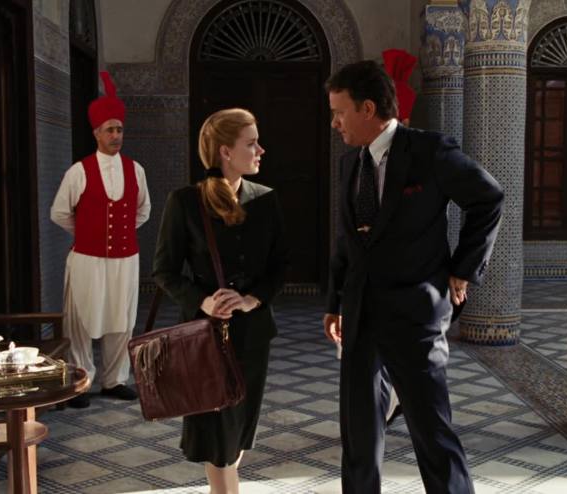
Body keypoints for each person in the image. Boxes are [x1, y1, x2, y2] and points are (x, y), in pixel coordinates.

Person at [323, 60, 503, 494]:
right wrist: (335, 303)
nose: (334, 123)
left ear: (368, 109)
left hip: (416, 316)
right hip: (361, 317)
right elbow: (348, 242)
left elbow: (488, 198)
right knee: (359, 438)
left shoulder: (429, 151)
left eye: (340, 112)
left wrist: (462, 269)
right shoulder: (350, 164)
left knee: (433, 435)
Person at [153, 108, 287, 494]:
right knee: (219, 438)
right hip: (206, 336)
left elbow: (280, 265)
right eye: (251, 143)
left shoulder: (266, 199)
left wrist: (251, 299)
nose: (261, 150)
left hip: (254, 335)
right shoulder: (184, 202)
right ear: (226, 152)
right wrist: (205, 301)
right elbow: (164, 271)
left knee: (238, 434)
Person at [51, 72, 150, 409]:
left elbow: (144, 210)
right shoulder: (78, 172)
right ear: (96, 133)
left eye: (119, 129)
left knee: (122, 318)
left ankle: (114, 380)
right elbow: (59, 212)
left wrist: (121, 236)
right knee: (80, 319)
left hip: (126, 259)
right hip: (87, 259)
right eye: (110, 130)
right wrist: (87, 235)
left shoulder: (136, 170)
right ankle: (81, 381)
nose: (116, 135)